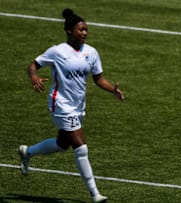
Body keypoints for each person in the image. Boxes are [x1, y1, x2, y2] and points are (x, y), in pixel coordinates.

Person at [18, 8, 124, 203]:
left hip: (78, 106)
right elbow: (33, 65)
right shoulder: (57, 51)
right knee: (80, 147)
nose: (84, 33)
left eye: (86, 30)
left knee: (62, 144)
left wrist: (113, 90)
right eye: (80, 30)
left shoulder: (91, 52)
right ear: (69, 31)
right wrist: (34, 77)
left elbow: (98, 79)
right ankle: (95, 194)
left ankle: (28, 152)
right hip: (61, 104)